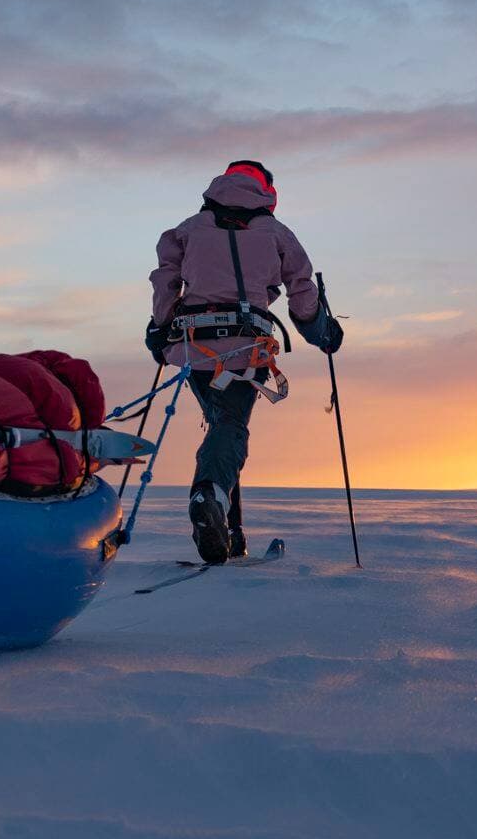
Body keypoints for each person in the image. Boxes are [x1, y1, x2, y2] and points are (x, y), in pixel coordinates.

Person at [146, 160, 342, 563]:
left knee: (224, 426)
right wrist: (322, 332)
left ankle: (230, 532)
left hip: (193, 347)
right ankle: (210, 496)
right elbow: (301, 291)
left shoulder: (187, 229)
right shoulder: (276, 233)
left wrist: (160, 327)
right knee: (231, 426)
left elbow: (166, 281)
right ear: (267, 192)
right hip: (245, 347)